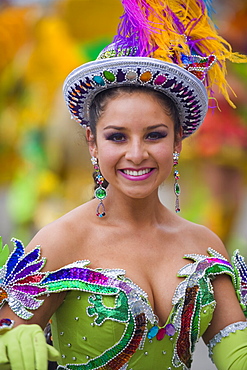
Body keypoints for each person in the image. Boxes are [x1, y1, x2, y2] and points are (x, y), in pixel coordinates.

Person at [0, 1, 247, 369]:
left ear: (177, 141)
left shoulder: (203, 245)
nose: (137, 153)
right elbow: (7, 337)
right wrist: (11, 340)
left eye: (154, 135)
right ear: (92, 142)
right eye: (117, 137)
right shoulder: (62, 241)